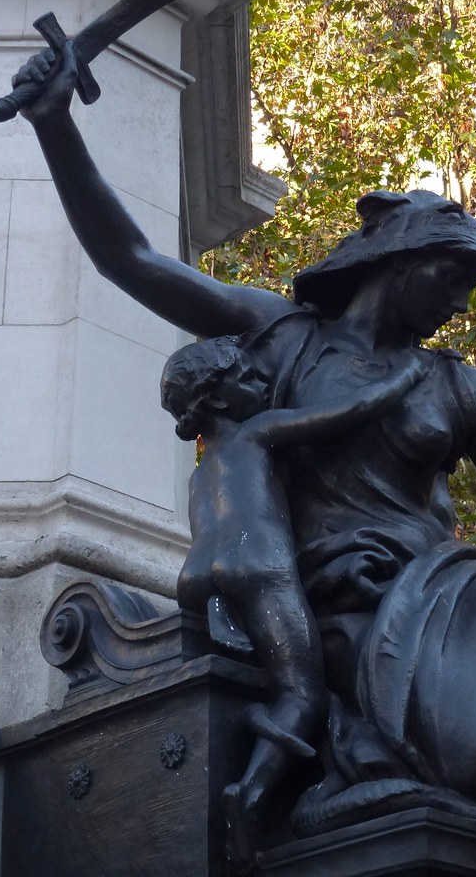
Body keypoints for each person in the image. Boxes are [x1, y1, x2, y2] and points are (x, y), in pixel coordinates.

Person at [14, 45, 476, 860]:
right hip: (340, 602)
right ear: (398, 262)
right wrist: (54, 126)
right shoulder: (282, 336)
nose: (460, 302)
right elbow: (131, 260)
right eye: (450, 276)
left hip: (446, 591)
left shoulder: (457, 384)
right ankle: (447, 780)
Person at [160, 333, 427, 853]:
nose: (262, 381)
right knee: (302, 693)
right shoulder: (256, 434)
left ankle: (239, 667)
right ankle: (250, 792)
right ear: (217, 399)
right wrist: (408, 376)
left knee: (265, 669)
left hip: (197, 577)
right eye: (246, 376)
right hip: (255, 562)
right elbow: (352, 411)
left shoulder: (199, 474)